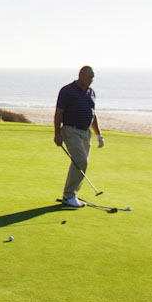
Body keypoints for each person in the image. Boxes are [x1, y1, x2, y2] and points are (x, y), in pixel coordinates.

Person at [53, 66, 104, 208]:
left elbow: (93, 114)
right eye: (89, 77)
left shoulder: (91, 93)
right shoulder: (67, 91)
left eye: (93, 77)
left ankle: (71, 194)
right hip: (71, 130)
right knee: (81, 160)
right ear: (80, 75)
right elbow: (58, 113)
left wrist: (99, 134)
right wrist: (57, 133)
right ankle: (69, 195)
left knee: (80, 162)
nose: (91, 80)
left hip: (86, 132)